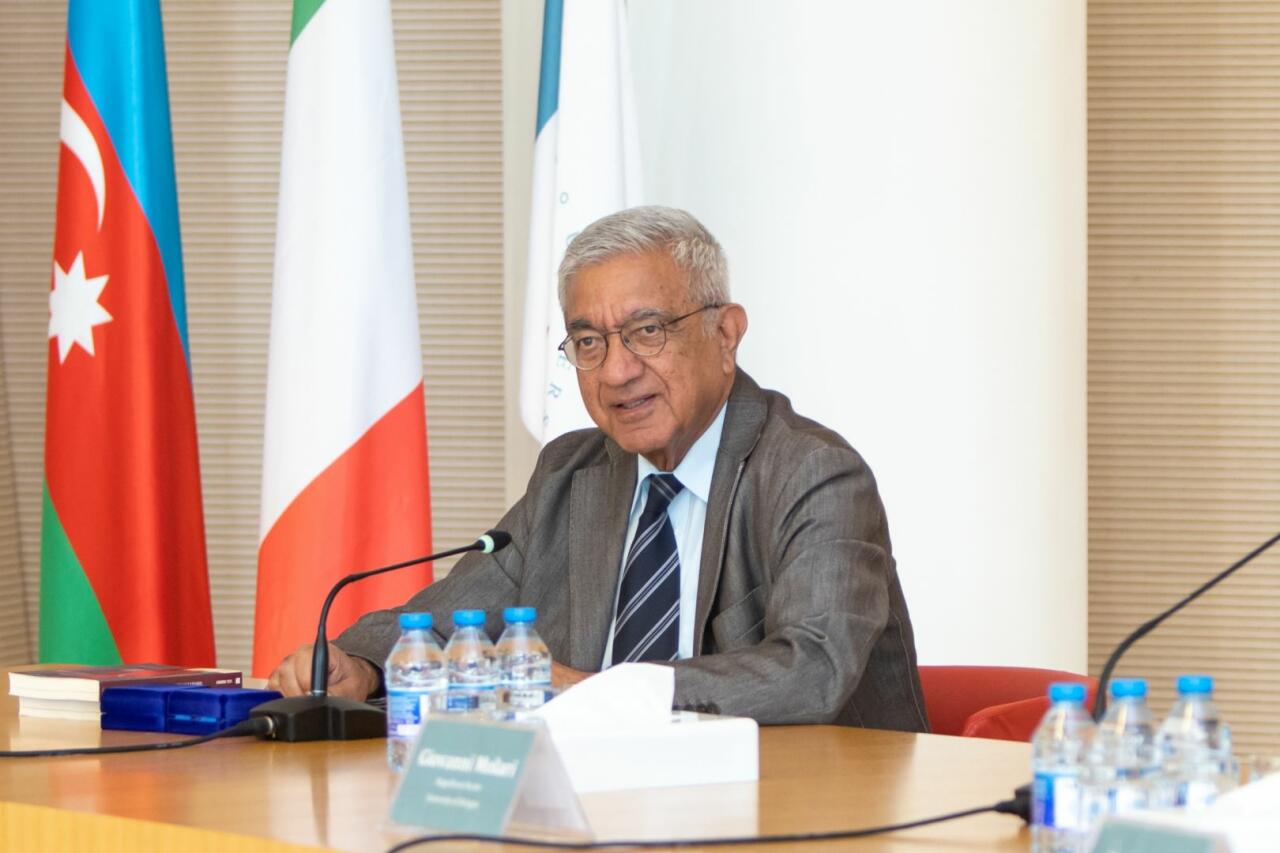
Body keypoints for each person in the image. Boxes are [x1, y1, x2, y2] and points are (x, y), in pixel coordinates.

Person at [268, 206, 928, 730]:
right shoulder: (570, 474)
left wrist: (602, 692)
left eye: (648, 331)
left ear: (725, 334)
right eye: (589, 341)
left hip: (801, 807)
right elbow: (449, 621)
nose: (616, 371)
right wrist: (364, 664)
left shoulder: (813, 474)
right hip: (602, 807)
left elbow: (814, 668)